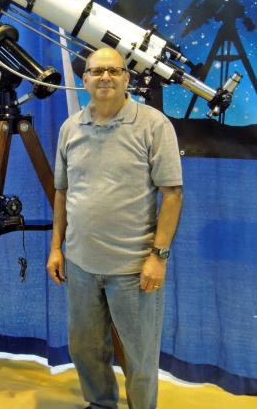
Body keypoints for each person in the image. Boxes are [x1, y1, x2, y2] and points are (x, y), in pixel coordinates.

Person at [46, 47, 183, 409]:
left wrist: (159, 257)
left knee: (139, 358)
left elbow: (172, 195)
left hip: (133, 270)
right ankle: (100, 403)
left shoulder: (154, 125)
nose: (105, 77)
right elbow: (62, 192)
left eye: (114, 70)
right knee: (85, 349)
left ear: (127, 78)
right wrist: (56, 248)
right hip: (80, 266)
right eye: (97, 71)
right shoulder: (70, 128)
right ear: (84, 80)